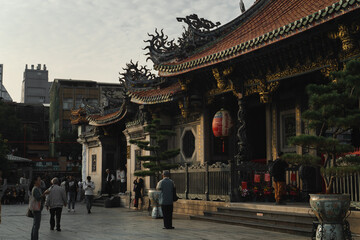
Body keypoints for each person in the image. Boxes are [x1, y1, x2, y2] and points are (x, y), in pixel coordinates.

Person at [30, 176, 46, 240]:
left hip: (36, 208)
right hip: (37, 209)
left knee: (35, 225)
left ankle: (33, 238)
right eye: (39, 180)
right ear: (35, 181)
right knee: (36, 226)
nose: (40, 181)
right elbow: (38, 198)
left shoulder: (36, 188)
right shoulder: (35, 189)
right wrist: (44, 194)